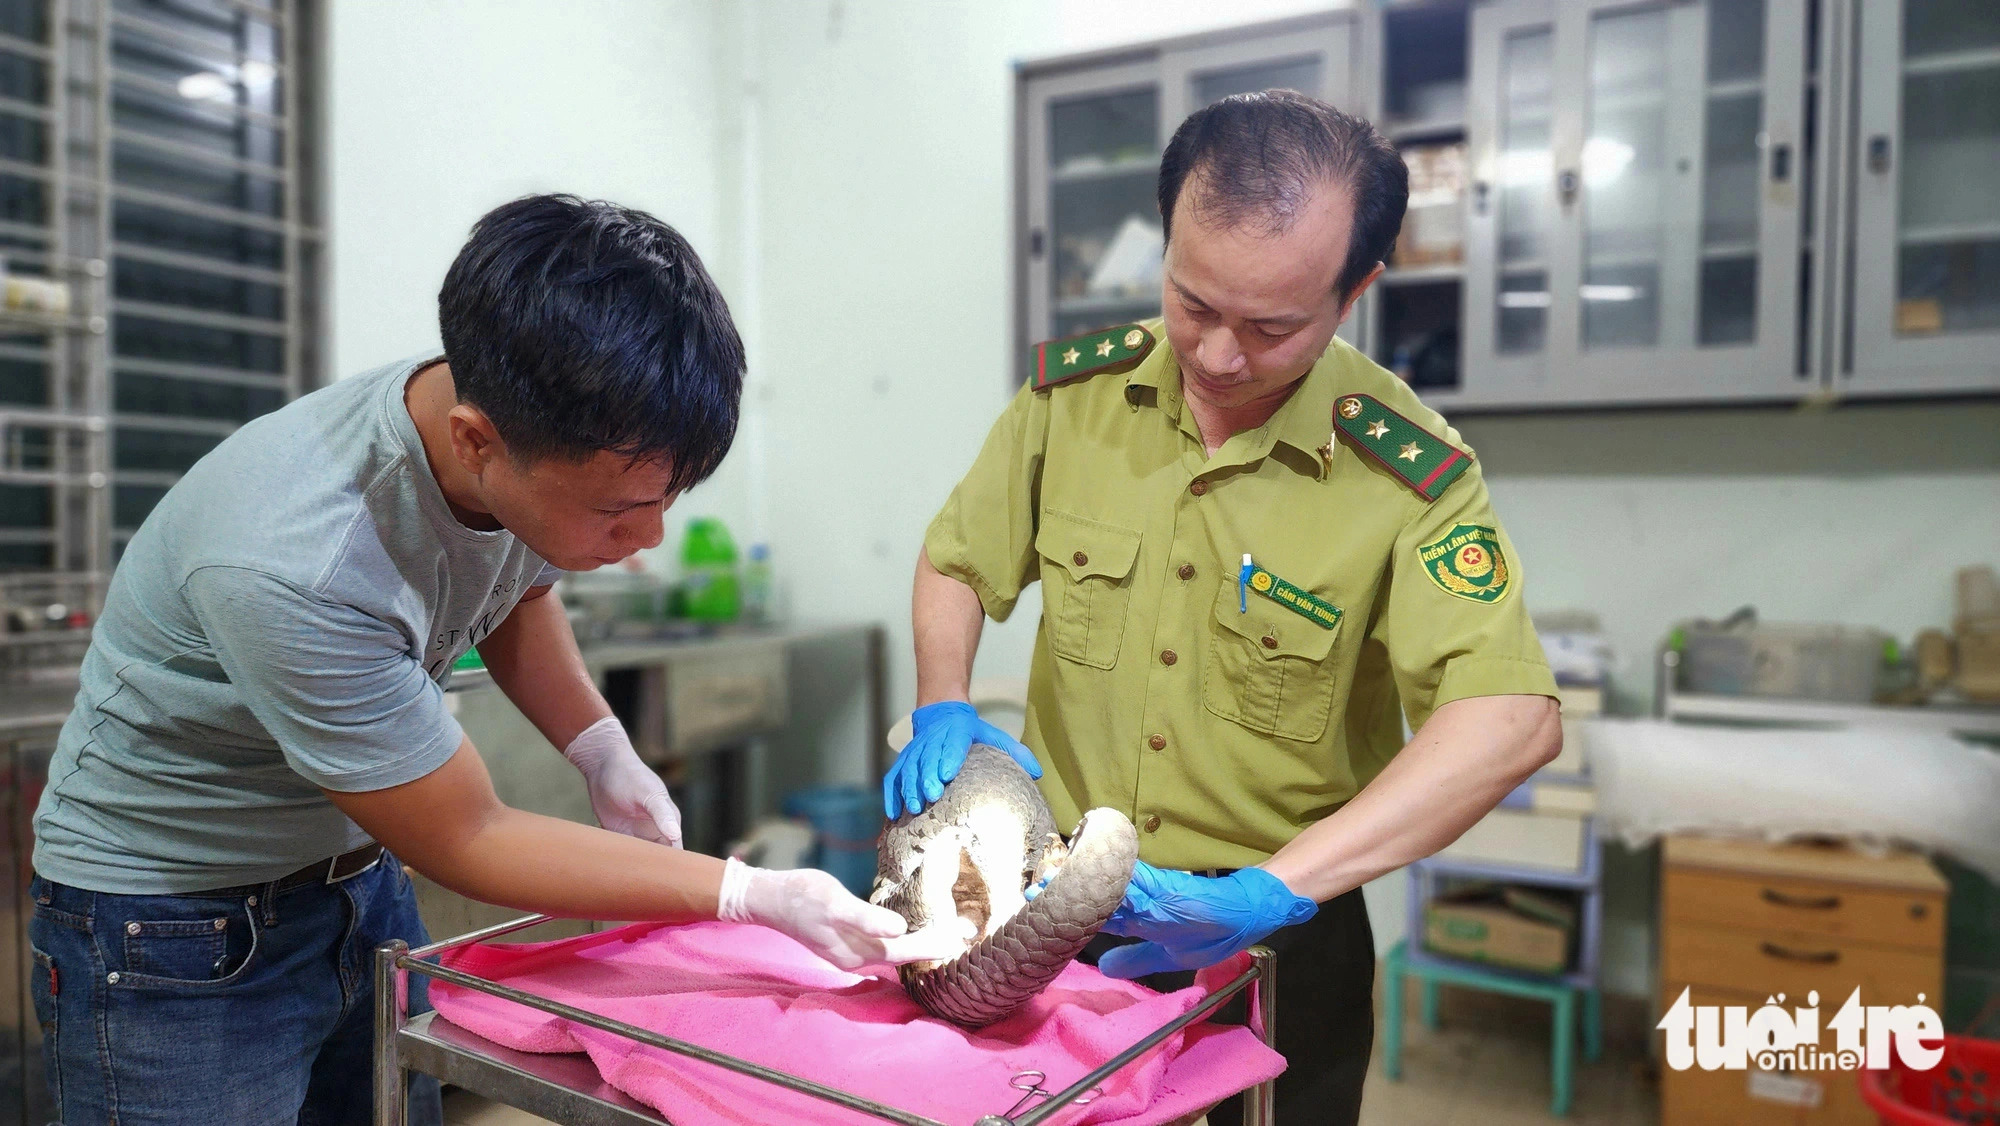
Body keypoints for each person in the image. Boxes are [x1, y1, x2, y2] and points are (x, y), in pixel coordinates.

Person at [29, 194, 953, 1126]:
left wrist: (599, 745)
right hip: (170, 927)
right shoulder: (293, 560)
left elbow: (520, 585)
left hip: (355, 879)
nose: (648, 539)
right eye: (616, 512)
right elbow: (466, 836)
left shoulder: (513, 423)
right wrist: (745, 892)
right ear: (479, 440)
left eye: (664, 497)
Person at [889, 91, 1563, 1124]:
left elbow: (1509, 719)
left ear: (1354, 291)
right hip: (1061, 912)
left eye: (1269, 326)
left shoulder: (1409, 472)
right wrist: (942, 695)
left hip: (1279, 936)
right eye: (1191, 303)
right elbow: (955, 559)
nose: (1214, 355)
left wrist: (1276, 887)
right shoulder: (1071, 403)